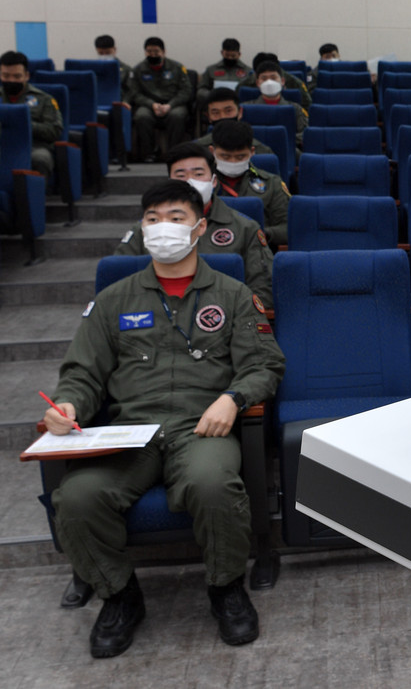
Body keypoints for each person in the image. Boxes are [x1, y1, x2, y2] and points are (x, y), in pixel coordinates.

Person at [46, 178, 285, 657]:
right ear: (141, 228)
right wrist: (68, 405)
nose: (162, 229)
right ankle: (120, 596)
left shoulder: (233, 294)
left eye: (175, 218)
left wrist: (233, 398)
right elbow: (82, 373)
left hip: (201, 426)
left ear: (199, 228)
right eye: (152, 220)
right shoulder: (115, 299)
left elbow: (264, 364)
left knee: (213, 484)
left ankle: (225, 589)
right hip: (129, 429)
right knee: (75, 496)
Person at [115, 143, 276, 308]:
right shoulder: (146, 229)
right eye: (180, 175)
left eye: (198, 174)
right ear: (169, 181)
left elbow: (264, 290)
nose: (189, 182)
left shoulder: (245, 228)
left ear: (213, 181)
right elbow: (118, 278)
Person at [209, 119, 291, 247]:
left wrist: (260, 233)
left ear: (252, 152)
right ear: (212, 151)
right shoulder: (202, 183)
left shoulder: (272, 183)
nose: (233, 162)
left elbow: (287, 228)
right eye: (225, 157)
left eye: (240, 157)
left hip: (258, 248)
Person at [0, 50, 62, 176]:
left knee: (40, 159)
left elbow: (55, 130)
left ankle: (35, 194)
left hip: (34, 146)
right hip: (2, 143)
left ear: (26, 76)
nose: (11, 80)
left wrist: (25, 125)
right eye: (6, 76)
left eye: (17, 76)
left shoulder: (44, 99)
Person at [131, 37, 192, 161]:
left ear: (163, 52)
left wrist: (170, 105)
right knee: (141, 116)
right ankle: (149, 153)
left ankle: (174, 153)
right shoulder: (138, 69)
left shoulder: (177, 67)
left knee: (177, 115)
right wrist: (151, 104)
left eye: (156, 51)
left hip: (173, 104)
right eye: (149, 51)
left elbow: (186, 91)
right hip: (149, 105)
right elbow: (135, 93)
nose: (153, 54)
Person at [244, 61, 308, 155]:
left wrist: (281, 139)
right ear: (257, 83)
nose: (269, 82)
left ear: (282, 81)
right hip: (255, 152)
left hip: (290, 151)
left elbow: (305, 133)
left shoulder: (295, 108)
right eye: (264, 78)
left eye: (273, 78)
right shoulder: (246, 108)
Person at [194, 88, 277, 159]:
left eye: (228, 111)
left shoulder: (262, 151)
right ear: (208, 117)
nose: (223, 117)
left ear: (240, 112)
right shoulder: (197, 150)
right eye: (216, 113)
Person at [196, 38, 253, 116]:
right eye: (227, 55)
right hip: (215, 104)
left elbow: (251, 90)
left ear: (239, 54)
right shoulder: (211, 69)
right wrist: (212, 95)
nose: (230, 58)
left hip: (239, 105)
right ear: (222, 53)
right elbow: (201, 89)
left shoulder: (248, 71)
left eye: (233, 56)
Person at [94, 34, 134, 105]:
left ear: (114, 50)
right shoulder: (93, 69)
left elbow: (131, 90)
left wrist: (125, 102)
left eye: (108, 53)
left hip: (119, 103)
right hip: (97, 102)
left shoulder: (126, 69)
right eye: (101, 53)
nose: (104, 56)